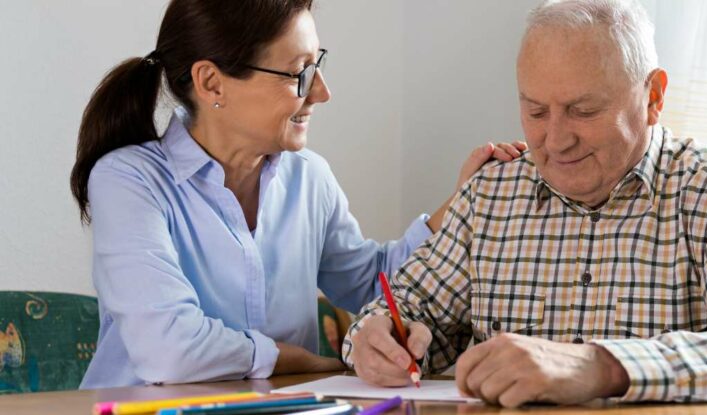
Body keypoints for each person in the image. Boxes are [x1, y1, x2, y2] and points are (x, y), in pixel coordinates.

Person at [343, 0, 707, 408]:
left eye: (583, 111)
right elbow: (401, 312)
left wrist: (603, 366)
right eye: (535, 111)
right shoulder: (488, 196)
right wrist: (381, 338)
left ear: (653, 97)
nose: (554, 139)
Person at [70, 0, 525, 389]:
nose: (322, 93)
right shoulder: (129, 181)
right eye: (298, 74)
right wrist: (298, 360)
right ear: (211, 83)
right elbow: (167, 349)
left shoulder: (309, 178)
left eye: (317, 66)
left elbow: (373, 284)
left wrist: (462, 201)